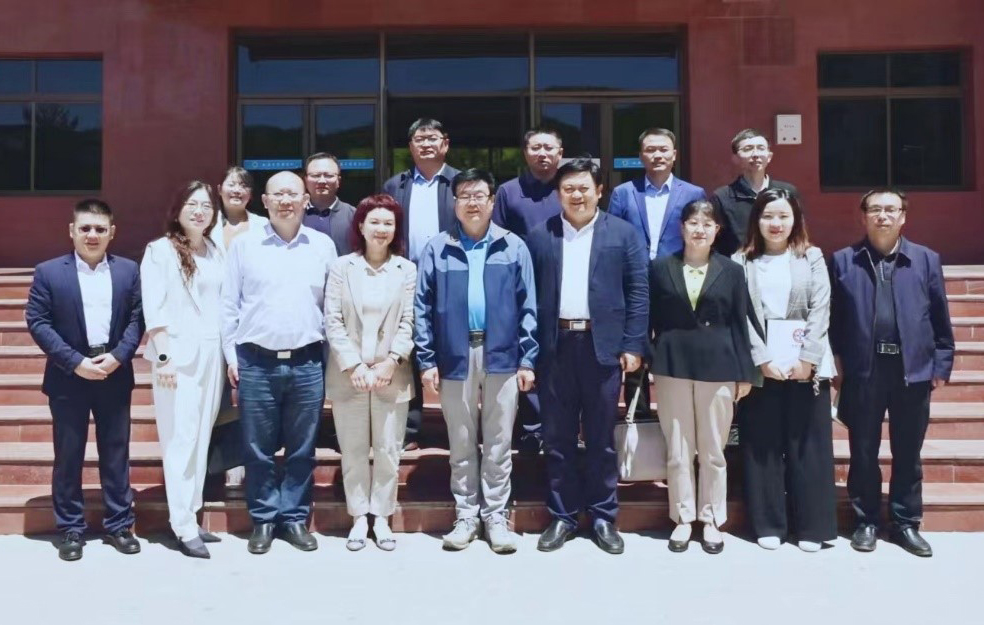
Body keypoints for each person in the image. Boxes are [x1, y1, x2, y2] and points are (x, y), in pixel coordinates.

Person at [526, 158, 648, 555]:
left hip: (603, 347)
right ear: (558, 194)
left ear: (599, 191)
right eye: (568, 189)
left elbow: (638, 292)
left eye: (583, 188)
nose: (576, 195)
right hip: (555, 347)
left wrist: (633, 344)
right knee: (557, 437)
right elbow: (526, 295)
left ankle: (602, 516)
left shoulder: (623, 233)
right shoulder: (540, 235)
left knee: (601, 437)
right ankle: (562, 515)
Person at [415, 169, 537, 554]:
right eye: (464, 195)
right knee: (461, 439)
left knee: (499, 440)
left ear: (492, 200)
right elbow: (422, 309)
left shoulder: (513, 246)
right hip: (455, 353)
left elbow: (528, 307)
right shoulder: (438, 248)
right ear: (455, 203)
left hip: (503, 353)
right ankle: (466, 515)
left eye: (479, 195)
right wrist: (426, 359)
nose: (472, 202)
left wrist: (528, 359)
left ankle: (496, 516)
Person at [830, 189, 954, 558]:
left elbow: (939, 317)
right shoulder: (843, 261)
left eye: (891, 209)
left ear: (903, 216)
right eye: (875, 209)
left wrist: (942, 363)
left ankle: (905, 522)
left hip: (912, 370)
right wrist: (836, 361)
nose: (883, 216)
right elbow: (834, 320)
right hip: (864, 370)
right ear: (863, 216)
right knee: (863, 449)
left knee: (908, 451)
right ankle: (866, 521)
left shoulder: (926, 259)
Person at [221, 170, 338, 554]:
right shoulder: (244, 246)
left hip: (307, 362)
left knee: (302, 448)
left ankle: (294, 518)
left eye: (293, 194)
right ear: (265, 201)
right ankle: (264, 519)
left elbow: (332, 308)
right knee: (258, 447)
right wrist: (231, 357)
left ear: (305, 200)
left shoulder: (322, 246)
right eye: (278, 194)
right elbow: (228, 306)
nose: (285, 201)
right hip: (256, 362)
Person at [25, 199, 144, 561]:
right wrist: (74, 362)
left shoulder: (128, 271)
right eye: (86, 228)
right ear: (72, 231)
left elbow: (137, 317)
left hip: (113, 372)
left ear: (112, 232)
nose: (93, 235)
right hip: (68, 376)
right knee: (69, 454)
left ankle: (119, 524)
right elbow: (38, 321)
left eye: (100, 229)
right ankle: (70, 528)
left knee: (116, 452)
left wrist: (119, 356)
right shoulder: (49, 272)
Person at [732, 188, 837, 553]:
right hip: (762, 366)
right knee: (762, 444)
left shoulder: (811, 256)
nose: (775, 223)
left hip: (806, 365)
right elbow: (740, 314)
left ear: (795, 220)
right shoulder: (741, 261)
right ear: (756, 221)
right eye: (767, 216)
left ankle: (812, 526)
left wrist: (808, 358)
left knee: (809, 445)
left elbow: (821, 308)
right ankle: (769, 523)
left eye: (783, 216)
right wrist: (761, 358)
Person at [649, 200, 755, 554]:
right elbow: (649, 318)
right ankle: (683, 517)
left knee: (712, 449)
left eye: (707, 224)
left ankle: (711, 519)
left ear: (717, 231)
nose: (699, 229)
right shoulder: (660, 268)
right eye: (693, 223)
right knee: (679, 449)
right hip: (672, 365)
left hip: (719, 366)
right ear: (682, 228)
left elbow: (740, 323)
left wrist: (745, 373)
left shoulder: (731, 271)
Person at [325, 193, 416, 552]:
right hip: (350, 375)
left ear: (396, 229)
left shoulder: (406, 269)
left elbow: (409, 321)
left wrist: (391, 361)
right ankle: (359, 516)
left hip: (391, 375)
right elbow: (332, 320)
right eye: (374, 221)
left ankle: (381, 515)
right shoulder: (342, 267)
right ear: (361, 226)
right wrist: (354, 365)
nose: (381, 229)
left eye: (388, 223)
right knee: (353, 450)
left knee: (388, 450)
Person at [140, 181, 226, 559]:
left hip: (212, 353)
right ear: (177, 210)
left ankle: (192, 512)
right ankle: (182, 525)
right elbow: (154, 307)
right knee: (180, 440)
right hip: (176, 357)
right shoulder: (159, 251)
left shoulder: (214, 250)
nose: (199, 211)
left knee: (201, 437)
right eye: (192, 204)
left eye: (206, 205)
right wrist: (164, 358)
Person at [608, 127, 706, 420]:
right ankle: (637, 416)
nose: (657, 155)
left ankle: (675, 414)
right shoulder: (624, 193)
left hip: (676, 281)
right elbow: (612, 237)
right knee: (635, 346)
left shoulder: (693, 193)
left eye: (663, 149)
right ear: (641, 156)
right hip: (634, 281)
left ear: (674, 154)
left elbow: (700, 235)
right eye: (650, 150)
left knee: (673, 344)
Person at [382, 118, 461, 450]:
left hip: (452, 277)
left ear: (445, 143)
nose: (426, 144)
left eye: (432, 138)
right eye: (419, 139)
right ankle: (411, 429)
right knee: (408, 351)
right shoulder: (395, 185)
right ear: (410, 146)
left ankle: (459, 427)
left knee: (453, 347)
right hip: (407, 278)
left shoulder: (460, 183)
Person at [491, 127, 564, 454]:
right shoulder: (508, 192)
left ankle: (561, 426)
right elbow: (498, 239)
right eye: (536, 147)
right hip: (520, 286)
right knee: (528, 354)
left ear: (560, 153)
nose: (542, 153)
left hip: (563, 284)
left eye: (549, 147)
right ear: (525, 153)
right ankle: (532, 428)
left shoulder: (569, 188)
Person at [710, 129, 798, 256]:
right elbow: (716, 244)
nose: (755, 154)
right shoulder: (722, 197)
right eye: (748, 149)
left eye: (761, 148)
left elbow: (798, 233)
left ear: (769, 156)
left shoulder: (787, 192)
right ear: (735, 158)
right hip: (738, 265)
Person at [303, 152, 357, 256]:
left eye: (328, 176)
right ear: (305, 180)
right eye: (315, 175)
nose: (322, 181)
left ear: (338, 181)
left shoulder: (353, 215)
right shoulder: (295, 214)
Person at [210, 166, 269, 252]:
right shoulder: (209, 222)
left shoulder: (263, 224)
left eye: (243, 186)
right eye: (231, 185)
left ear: (250, 194)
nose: (237, 190)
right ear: (219, 190)